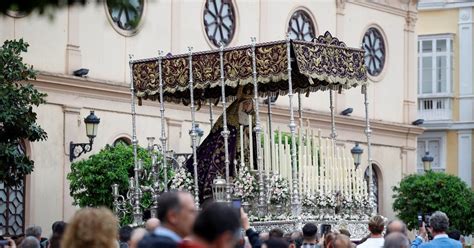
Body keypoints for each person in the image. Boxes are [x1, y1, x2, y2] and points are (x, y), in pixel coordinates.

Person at [185, 86, 256, 203]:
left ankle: (243, 196)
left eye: (249, 104)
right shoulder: (229, 120)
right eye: (245, 103)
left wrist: (249, 133)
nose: (247, 106)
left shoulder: (252, 119)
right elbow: (222, 138)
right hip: (231, 155)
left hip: (245, 153)